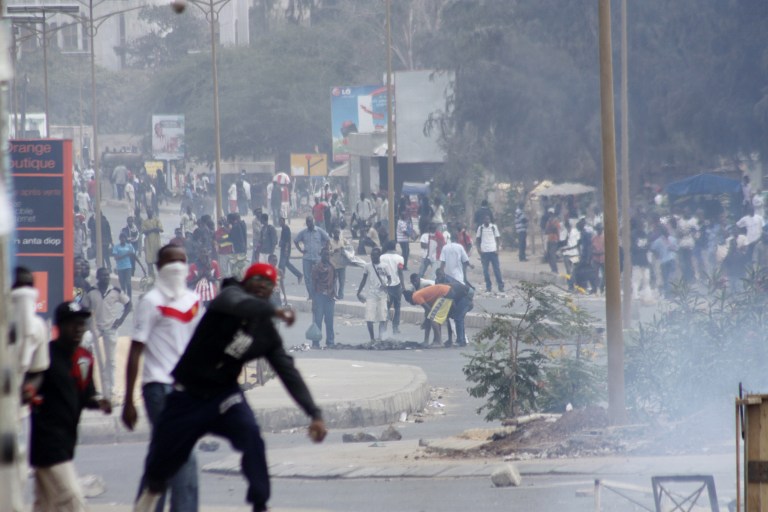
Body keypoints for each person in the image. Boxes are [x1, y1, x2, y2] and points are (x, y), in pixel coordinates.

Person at [133, 263, 327, 512]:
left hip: (224, 396)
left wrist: (314, 413)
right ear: (246, 281)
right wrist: (275, 311)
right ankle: (151, 493)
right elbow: (240, 304)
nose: (261, 286)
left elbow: (288, 373)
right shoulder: (228, 298)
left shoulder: (265, 332)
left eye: (268, 284)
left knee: (251, 436)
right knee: (162, 464)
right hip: (187, 395)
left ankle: (260, 504)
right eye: (257, 279)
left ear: (272, 290)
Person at [122, 245, 203, 512]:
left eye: (182, 260)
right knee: (184, 455)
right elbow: (136, 350)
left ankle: (146, 506)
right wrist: (128, 400)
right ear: (158, 268)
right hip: (157, 387)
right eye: (171, 262)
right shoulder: (151, 302)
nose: (177, 266)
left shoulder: (192, 302)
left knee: (163, 455)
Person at [29, 301, 112, 512]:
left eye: (81, 324)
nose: (78, 329)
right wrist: (28, 392)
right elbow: (33, 383)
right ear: (59, 326)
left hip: (66, 442)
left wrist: (98, 402)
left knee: (45, 506)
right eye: (72, 324)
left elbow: (86, 395)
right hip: (47, 443)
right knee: (74, 499)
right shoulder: (45, 356)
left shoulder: (85, 358)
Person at [9, 268, 50, 512]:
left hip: (17, 411)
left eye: (27, 286)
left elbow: (38, 370)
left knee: (17, 468)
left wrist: (30, 389)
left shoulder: (37, 328)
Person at [82, 267, 131, 402]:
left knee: (111, 361)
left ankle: (111, 389)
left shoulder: (115, 291)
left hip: (110, 328)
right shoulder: (91, 291)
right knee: (84, 345)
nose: (106, 278)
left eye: (107, 276)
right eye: (103, 276)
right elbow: (85, 308)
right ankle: (87, 384)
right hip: (96, 328)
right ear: (98, 277)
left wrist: (120, 320)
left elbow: (129, 304)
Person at [356, 247, 389, 342]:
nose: (373, 257)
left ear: (379, 255)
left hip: (382, 294)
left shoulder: (385, 266)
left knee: (382, 317)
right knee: (369, 318)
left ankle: (381, 338)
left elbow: (390, 279)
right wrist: (358, 292)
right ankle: (372, 339)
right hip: (371, 294)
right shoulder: (367, 266)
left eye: (375, 256)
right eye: (372, 256)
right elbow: (364, 279)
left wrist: (386, 285)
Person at [294, 216, 330, 299]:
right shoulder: (303, 232)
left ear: (313, 222)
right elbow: (296, 241)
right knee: (307, 277)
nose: (309, 224)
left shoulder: (319, 231)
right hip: (307, 258)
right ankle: (311, 294)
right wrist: (301, 251)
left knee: (319, 276)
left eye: (310, 222)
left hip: (317, 258)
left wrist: (324, 250)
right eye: (307, 222)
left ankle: (318, 294)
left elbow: (328, 239)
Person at [310, 247, 336, 348]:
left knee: (329, 321)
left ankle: (330, 342)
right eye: (325, 254)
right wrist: (313, 300)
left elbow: (334, 280)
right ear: (321, 255)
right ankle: (316, 342)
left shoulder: (332, 267)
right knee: (318, 321)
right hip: (319, 297)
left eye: (328, 254)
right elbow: (313, 283)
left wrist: (334, 293)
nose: (327, 256)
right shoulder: (317, 268)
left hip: (329, 297)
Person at [379, 241, 405, 335]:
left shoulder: (381, 257)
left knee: (386, 308)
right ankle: (395, 327)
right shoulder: (400, 258)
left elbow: (380, 271)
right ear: (395, 247)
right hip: (397, 285)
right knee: (397, 307)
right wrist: (403, 286)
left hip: (385, 286)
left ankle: (383, 328)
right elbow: (400, 272)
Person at [476, 214, 505, 293]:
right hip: (484, 252)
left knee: (497, 270)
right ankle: (488, 286)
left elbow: (498, 239)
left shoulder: (493, 227)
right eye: (486, 219)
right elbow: (477, 240)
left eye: (488, 219)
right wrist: (479, 249)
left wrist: (498, 250)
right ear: (483, 220)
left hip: (493, 251)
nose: (487, 221)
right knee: (485, 271)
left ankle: (500, 286)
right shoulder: (480, 228)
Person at [278, 216, 302, 283]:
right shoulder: (283, 228)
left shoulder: (286, 228)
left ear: (283, 222)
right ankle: (299, 275)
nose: (280, 223)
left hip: (286, 249)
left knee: (282, 264)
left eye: (281, 221)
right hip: (284, 248)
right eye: (279, 222)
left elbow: (288, 241)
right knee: (286, 264)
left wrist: (286, 250)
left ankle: (280, 278)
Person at [112, 232, 136, 299]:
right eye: (121, 238)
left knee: (128, 283)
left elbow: (134, 256)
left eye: (124, 238)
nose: (123, 239)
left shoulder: (129, 246)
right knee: (122, 285)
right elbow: (116, 258)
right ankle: (125, 299)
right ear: (120, 239)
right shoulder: (116, 247)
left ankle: (130, 298)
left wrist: (142, 267)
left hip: (128, 267)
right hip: (120, 268)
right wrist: (126, 254)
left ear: (126, 239)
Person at [142, 208, 163, 277]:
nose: (149, 213)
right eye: (148, 212)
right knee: (149, 260)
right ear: (147, 213)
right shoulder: (145, 222)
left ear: (152, 212)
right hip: (148, 244)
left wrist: (151, 230)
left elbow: (161, 229)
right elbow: (144, 231)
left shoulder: (156, 220)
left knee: (158, 260)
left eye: (150, 212)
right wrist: (154, 229)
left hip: (157, 244)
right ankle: (151, 277)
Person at [329, 228, 349, 299]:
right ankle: (334, 294)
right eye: (336, 233)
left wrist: (345, 249)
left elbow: (349, 247)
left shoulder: (342, 241)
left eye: (338, 233)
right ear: (333, 234)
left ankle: (340, 295)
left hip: (342, 264)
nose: (337, 234)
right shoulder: (330, 242)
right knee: (334, 281)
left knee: (342, 281)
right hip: (334, 265)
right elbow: (327, 252)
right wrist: (334, 251)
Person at [544, 208, 561, 273]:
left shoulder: (556, 221)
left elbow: (556, 229)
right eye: (549, 213)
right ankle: (552, 269)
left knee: (552, 254)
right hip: (549, 239)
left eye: (551, 213)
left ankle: (555, 270)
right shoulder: (549, 221)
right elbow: (546, 230)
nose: (550, 215)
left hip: (554, 239)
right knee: (548, 255)